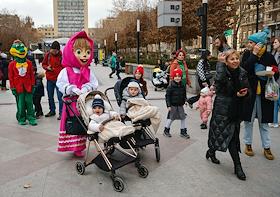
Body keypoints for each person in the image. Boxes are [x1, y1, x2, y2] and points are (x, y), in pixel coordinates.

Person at [206, 49, 250, 181]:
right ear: (226, 61)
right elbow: (220, 85)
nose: (235, 61)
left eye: (237, 58)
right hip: (223, 109)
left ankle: (211, 151)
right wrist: (220, 65)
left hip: (236, 109)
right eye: (232, 59)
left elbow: (249, 90)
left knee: (230, 136)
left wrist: (245, 93)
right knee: (225, 136)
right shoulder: (222, 72)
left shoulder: (242, 72)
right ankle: (238, 167)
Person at [56, 31, 98, 157]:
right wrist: (70, 88)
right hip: (71, 103)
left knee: (83, 123)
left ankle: (79, 146)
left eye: (87, 52)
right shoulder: (66, 71)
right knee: (72, 123)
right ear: (70, 52)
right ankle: (71, 145)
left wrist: (87, 87)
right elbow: (60, 83)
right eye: (79, 52)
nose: (84, 56)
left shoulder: (88, 71)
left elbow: (94, 83)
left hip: (84, 102)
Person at [241, 28, 279, 160]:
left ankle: (267, 147)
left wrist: (273, 71)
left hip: (265, 94)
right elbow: (244, 69)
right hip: (250, 93)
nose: (249, 44)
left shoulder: (269, 56)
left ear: (259, 44)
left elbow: (276, 71)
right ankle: (248, 144)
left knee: (264, 123)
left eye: (251, 42)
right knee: (248, 121)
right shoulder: (247, 54)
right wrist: (254, 55)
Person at [8, 40, 37, 126]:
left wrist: (33, 85)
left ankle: (31, 117)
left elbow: (32, 75)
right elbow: (11, 77)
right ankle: (21, 118)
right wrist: (12, 87)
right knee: (20, 104)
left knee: (29, 103)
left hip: (28, 86)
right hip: (18, 87)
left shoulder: (29, 63)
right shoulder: (11, 64)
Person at [163, 68, 190, 139]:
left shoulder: (182, 86)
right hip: (173, 105)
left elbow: (184, 94)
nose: (177, 78)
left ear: (181, 77)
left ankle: (183, 131)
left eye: (179, 76)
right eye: (176, 76)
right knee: (171, 118)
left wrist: (186, 100)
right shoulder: (170, 86)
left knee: (183, 118)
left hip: (180, 105)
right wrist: (168, 105)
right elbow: (167, 96)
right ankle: (166, 130)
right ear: (173, 77)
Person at [42, 41, 63, 120]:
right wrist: (47, 67)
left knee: (60, 97)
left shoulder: (62, 56)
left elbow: (65, 66)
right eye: (52, 50)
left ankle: (61, 112)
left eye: (55, 50)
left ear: (58, 50)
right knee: (50, 96)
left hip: (59, 80)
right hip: (50, 79)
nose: (53, 52)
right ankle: (52, 110)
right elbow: (43, 64)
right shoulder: (48, 55)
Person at [269, 37, 280, 128]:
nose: (273, 44)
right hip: (274, 80)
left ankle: (275, 121)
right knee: (275, 101)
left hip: (278, 80)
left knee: (277, 101)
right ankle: (275, 121)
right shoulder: (274, 53)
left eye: (275, 42)